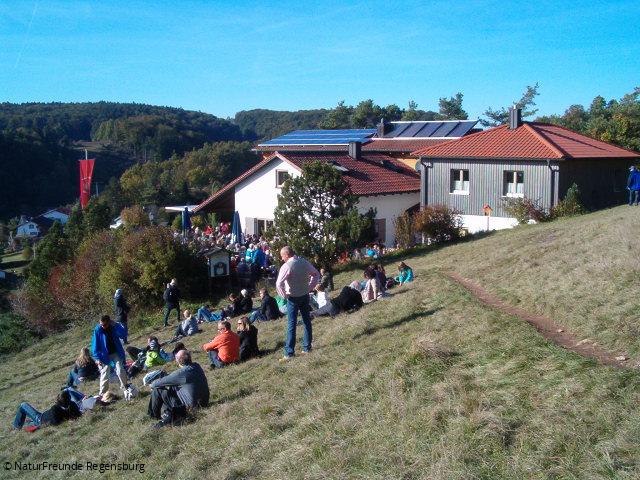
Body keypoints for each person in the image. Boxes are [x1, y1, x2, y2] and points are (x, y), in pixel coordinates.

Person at [275, 245, 320, 360]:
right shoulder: (304, 262)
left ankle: (289, 353)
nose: (281, 258)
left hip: (293, 297)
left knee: (291, 324)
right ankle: (307, 347)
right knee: (306, 321)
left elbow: (278, 284)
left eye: (282, 256)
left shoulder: (287, 266)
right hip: (304, 295)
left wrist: (284, 296)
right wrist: (310, 287)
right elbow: (316, 274)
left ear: (286, 255)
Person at [148, 350, 209, 428]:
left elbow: (155, 384)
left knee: (158, 390)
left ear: (178, 360)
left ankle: (153, 416)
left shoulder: (181, 373)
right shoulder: (197, 366)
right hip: (204, 402)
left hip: (192, 406)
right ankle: (165, 412)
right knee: (172, 387)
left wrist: (151, 384)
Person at [91, 315, 129, 396]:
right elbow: (95, 345)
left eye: (104, 324)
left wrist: (116, 325)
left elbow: (123, 334)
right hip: (104, 356)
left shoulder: (114, 327)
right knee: (105, 374)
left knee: (120, 370)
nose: (102, 326)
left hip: (116, 353)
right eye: (101, 324)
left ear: (109, 322)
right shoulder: (98, 330)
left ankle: (125, 388)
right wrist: (97, 358)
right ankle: (102, 394)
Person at [13, 390, 81, 431]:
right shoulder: (72, 404)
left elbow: (54, 423)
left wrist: (38, 427)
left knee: (23, 405)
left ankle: (17, 427)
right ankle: (28, 422)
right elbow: (79, 414)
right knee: (30, 422)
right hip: (44, 417)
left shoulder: (55, 408)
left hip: (40, 419)